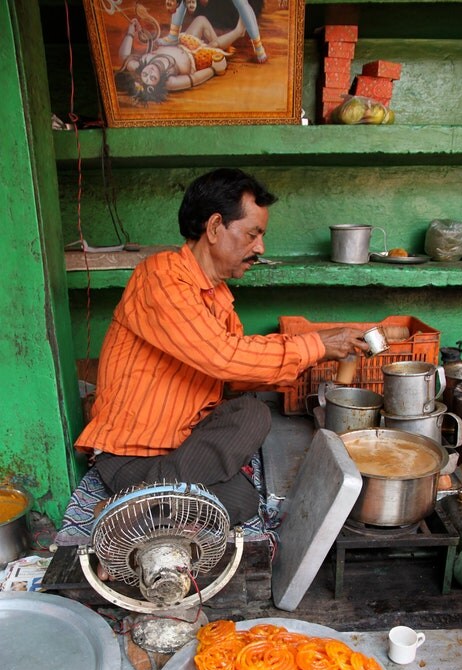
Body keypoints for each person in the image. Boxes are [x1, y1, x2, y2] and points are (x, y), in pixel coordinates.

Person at [75, 168, 370, 527]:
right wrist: (314, 345)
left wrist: (313, 359)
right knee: (254, 416)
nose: (260, 247)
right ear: (214, 228)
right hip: (131, 455)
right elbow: (222, 357)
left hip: (180, 448)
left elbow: (235, 376)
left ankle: (147, 501)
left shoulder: (218, 301)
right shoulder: (161, 277)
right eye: (252, 234)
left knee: (242, 499)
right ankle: (137, 504)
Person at [114, 13, 244, 103]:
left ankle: (220, 45)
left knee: (201, 20)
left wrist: (131, 32)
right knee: (214, 45)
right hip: (196, 57)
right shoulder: (170, 82)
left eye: (146, 74)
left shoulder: (139, 65)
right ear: (158, 82)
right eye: (152, 78)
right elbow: (194, 79)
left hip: (184, 43)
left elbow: (123, 56)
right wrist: (213, 69)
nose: (151, 72)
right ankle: (239, 32)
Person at [160, 0, 267, 63]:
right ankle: (173, 36)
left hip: (231, 12)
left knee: (242, 4)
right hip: (211, 13)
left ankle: (257, 45)